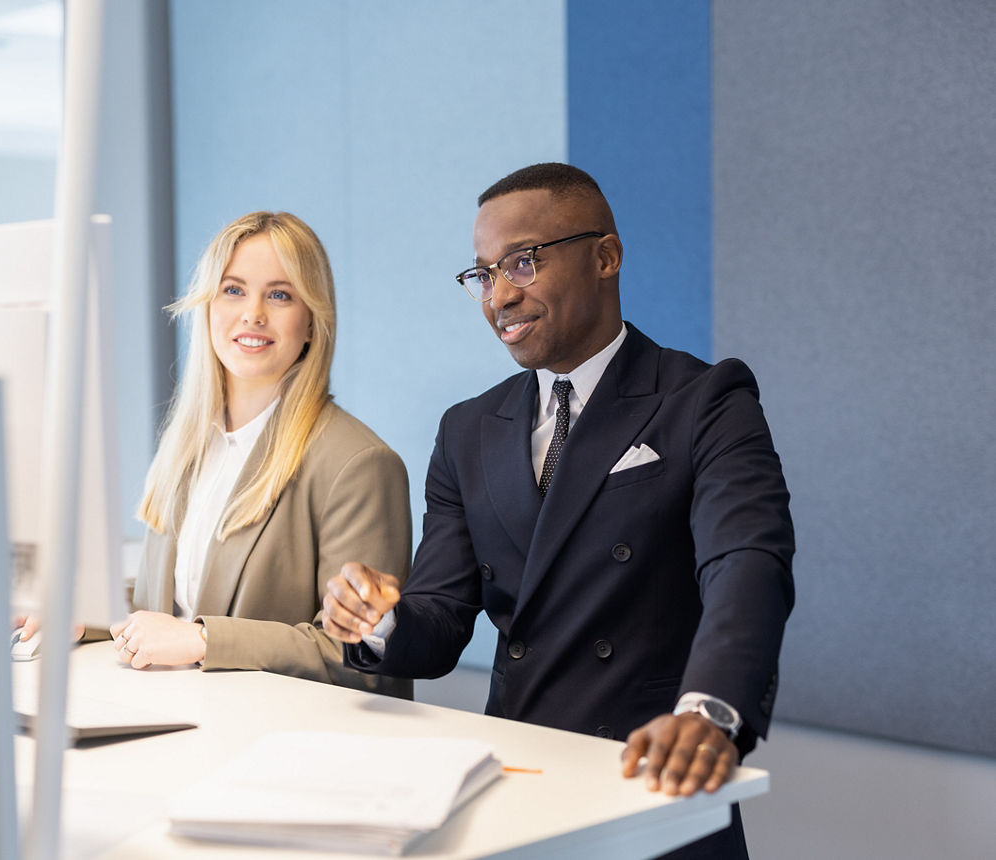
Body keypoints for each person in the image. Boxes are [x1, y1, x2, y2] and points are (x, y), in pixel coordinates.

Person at [322, 164, 794, 858]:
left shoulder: (707, 400)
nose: (499, 296)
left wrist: (709, 711)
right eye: (482, 274)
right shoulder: (466, 429)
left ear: (607, 256)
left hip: (653, 774)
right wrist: (381, 618)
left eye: (523, 262)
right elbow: (440, 623)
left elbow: (746, 563)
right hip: (517, 784)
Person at [110, 210, 412, 698]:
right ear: (207, 306)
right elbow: (167, 607)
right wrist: (76, 619)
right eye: (233, 290)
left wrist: (204, 640)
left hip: (280, 748)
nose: (253, 312)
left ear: (311, 322)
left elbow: (357, 659)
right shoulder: (185, 445)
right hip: (176, 721)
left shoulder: (358, 464)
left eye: (279, 294)